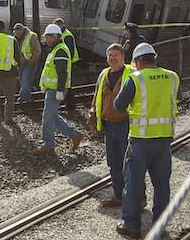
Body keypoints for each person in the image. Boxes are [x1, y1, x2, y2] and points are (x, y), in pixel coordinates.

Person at [113, 42, 178, 238]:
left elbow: (118, 105)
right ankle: (160, 225)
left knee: (133, 183)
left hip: (140, 140)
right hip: (164, 139)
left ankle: (131, 225)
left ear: (139, 61)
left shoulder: (136, 78)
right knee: (162, 183)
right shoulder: (172, 77)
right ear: (153, 58)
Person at [88, 43, 131, 208]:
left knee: (130, 163)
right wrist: (92, 114)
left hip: (127, 125)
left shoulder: (131, 73)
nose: (112, 58)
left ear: (123, 57)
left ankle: (137, 199)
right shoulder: (104, 74)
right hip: (109, 125)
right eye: (110, 55)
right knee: (113, 163)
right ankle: (118, 196)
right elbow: (97, 95)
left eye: (116, 55)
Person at [34, 24, 84, 155]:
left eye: (47, 37)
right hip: (53, 88)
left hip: (56, 89)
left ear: (54, 36)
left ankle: (48, 145)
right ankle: (75, 135)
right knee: (53, 117)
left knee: (47, 117)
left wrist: (60, 91)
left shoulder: (60, 50)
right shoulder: (56, 49)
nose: (45, 39)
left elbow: (62, 73)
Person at [15, 23, 41, 104]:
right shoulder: (15, 38)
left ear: (22, 30)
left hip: (30, 64)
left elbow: (37, 51)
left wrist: (30, 62)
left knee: (25, 81)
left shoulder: (31, 36)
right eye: (16, 32)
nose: (17, 34)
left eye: (18, 32)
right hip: (20, 64)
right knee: (23, 81)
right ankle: (25, 98)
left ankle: (24, 100)